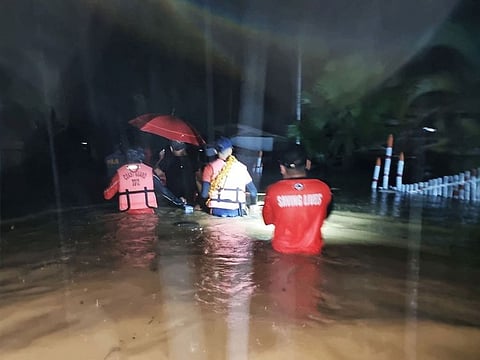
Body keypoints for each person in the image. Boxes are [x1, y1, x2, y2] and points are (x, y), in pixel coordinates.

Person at [262, 144, 333, 255]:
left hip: (281, 252)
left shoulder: (273, 191)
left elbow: (268, 220)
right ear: (308, 164)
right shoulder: (324, 189)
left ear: (282, 168)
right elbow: (325, 215)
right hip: (313, 251)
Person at [104, 148, 184, 214]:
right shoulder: (149, 171)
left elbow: (107, 196)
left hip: (128, 215)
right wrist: (178, 202)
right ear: (142, 158)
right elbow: (163, 191)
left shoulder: (119, 174)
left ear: (127, 159)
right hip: (148, 214)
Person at [201, 137, 258, 217]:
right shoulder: (241, 168)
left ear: (215, 151)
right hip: (237, 211)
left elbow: (204, 194)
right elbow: (253, 192)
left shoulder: (209, 168)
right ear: (231, 150)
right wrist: (253, 205)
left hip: (216, 211)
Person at [154, 140, 201, 206]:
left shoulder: (167, 160)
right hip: (190, 196)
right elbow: (198, 179)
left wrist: (161, 158)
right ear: (185, 147)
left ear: (171, 148)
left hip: (174, 198)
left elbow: (156, 173)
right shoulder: (192, 160)